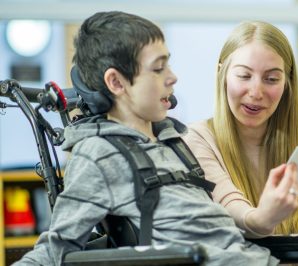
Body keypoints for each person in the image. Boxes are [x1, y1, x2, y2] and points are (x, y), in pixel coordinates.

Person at [14, 12, 281, 266]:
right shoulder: (98, 155)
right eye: (158, 69)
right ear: (117, 83)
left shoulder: (172, 141)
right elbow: (56, 249)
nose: (173, 77)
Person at [184, 21, 298, 238]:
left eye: (271, 79)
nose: (256, 92)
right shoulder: (196, 140)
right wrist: (264, 218)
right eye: (244, 76)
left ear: (287, 83)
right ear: (223, 76)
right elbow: (234, 208)